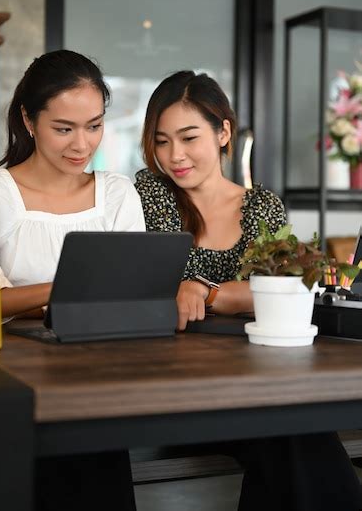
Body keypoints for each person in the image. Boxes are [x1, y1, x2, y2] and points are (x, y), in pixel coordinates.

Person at [135, 70, 362, 511]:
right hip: (170, 382)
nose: (174, 155)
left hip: (253, 377)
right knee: (295, 434)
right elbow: (149, 283)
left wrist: (203, 289)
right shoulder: (149, 192)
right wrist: (228, 291)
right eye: (162, 141)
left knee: (294, 432)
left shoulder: (262, 205)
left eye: (188, 138)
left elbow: (281, 289)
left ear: (223, 132)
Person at [0, 49, 144, 511]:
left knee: (94, 433)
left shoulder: (117, 194)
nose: (82, 144)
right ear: (29, 121)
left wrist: (39, 298)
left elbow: (131, 293)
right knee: (74, 443)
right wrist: (63, 291)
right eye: (64, 128)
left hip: (98, 380)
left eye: (94, 125)